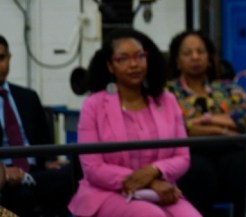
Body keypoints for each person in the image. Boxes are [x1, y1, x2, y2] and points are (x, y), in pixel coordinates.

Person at [68, 29, 201, 217]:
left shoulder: (167, 100)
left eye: (140, 56)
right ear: (110, 66)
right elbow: (93, 168)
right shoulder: (94, 105)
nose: (134, 64)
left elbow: (182, 157)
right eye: (123, 59)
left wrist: (154, 171)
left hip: (161, 191)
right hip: (107, 193)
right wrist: (149, 182)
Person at [166, 31, 246, 217]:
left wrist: (203, 121)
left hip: (230, 150)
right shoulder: (168, 92)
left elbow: (245, 119)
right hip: (190, 152)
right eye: (187, 53)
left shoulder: (229, 89)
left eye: (200, 51)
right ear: (177, 60)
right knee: (198, 171)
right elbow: (175, 126)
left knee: (241, 164)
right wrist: (224, 129)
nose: (195, 57)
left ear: (210, 57)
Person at [0, 35, 74, 217]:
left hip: (36, 170)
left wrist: (50, 161)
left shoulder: (28, 97)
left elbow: (44, 139)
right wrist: (3, 171)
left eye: (1, 58)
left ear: (9, 58)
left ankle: (30, 178)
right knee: (23, 196)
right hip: (5, 175)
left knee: (72, 173)